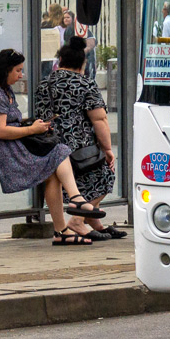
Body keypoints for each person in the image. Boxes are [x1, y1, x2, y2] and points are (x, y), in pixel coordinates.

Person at [0, 48, 104, 246]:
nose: (20, 75)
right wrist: (32, 130)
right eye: (17, 70)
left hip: (12, 145)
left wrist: (37, 127)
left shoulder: (4, 90)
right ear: (4, 70)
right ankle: (75, 200)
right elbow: (0, 131)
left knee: (53, 167)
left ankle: (62, 230)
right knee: (58, 153)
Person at [39, 37, 121, 241]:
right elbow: (99, 119)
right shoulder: (85, 83)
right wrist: (108, 149)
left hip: (50, 144)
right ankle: (77, 221)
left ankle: (93, 220)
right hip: (80, 145)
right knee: (106, 173)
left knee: (82, 178)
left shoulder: (45, 84)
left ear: (60, 62)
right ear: (81, 64)